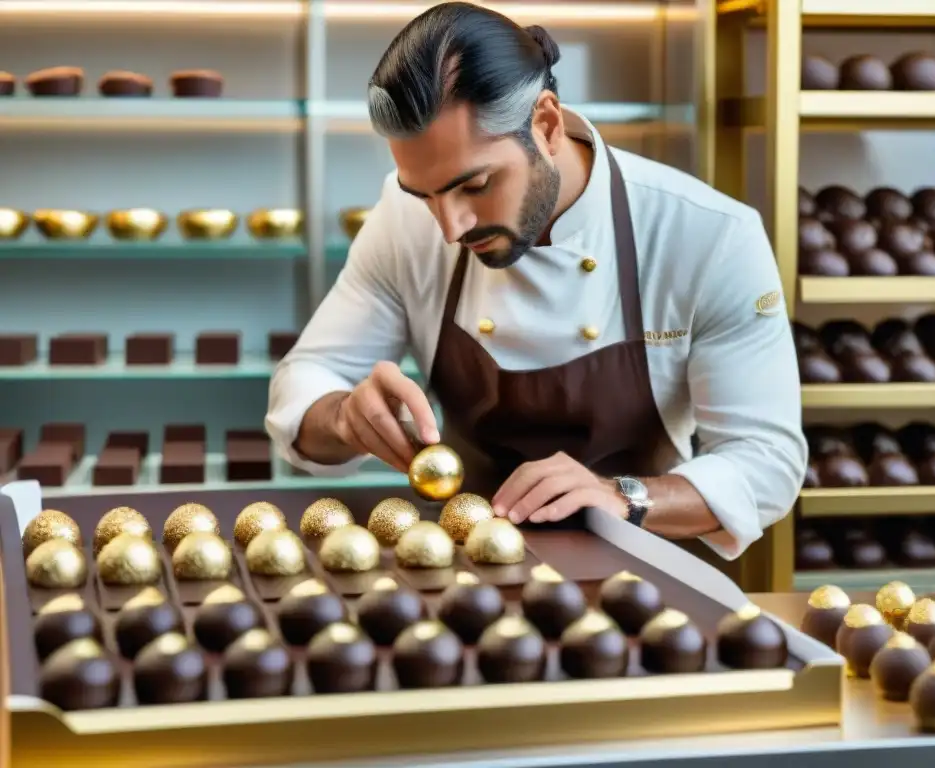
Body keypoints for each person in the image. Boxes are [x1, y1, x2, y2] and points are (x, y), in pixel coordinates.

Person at [265, 1, 807, 564]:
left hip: (644, 576)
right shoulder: (403, 224)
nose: (451, 227)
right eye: (424, 195)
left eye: (475, 185)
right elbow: (306, 378)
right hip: (458, 568)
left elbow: (766, 461)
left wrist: (620, 495)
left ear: (546, 125)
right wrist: (345, 416)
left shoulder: (708, 235)